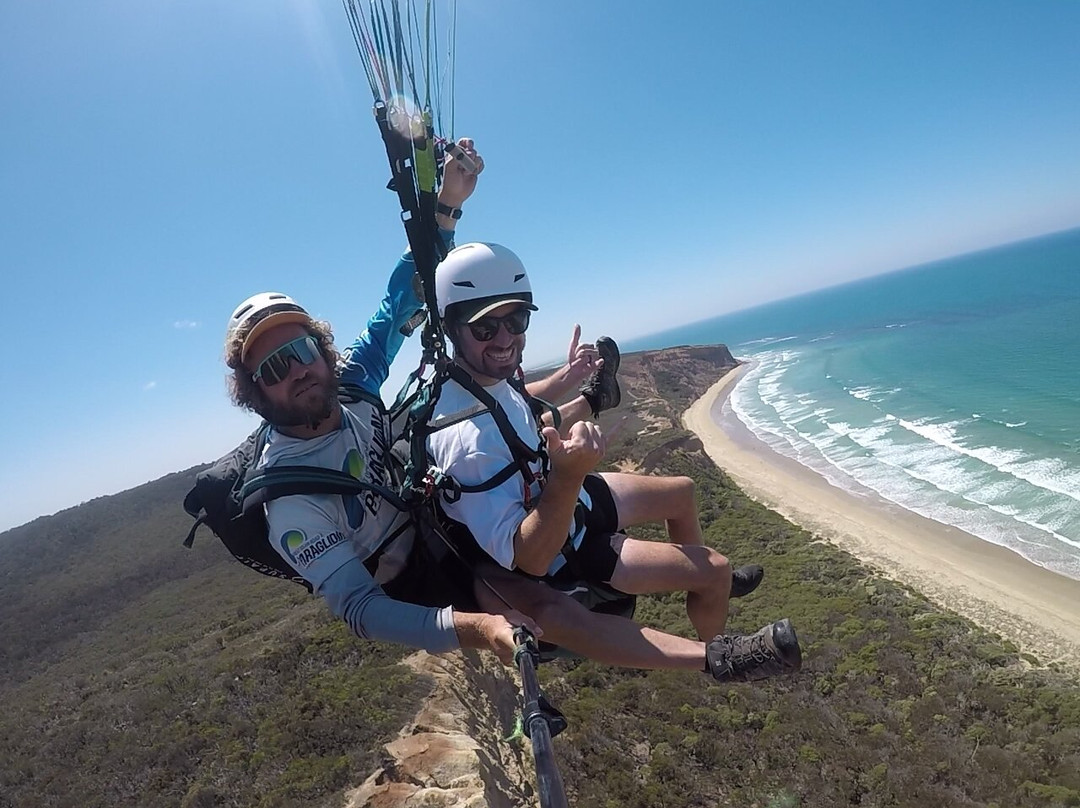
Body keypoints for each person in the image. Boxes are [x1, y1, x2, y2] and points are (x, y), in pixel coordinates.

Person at [222, 140, 540, 664]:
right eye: (274, 369)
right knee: (540, 595)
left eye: (301, 350)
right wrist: (478, 628)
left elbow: (400, 303)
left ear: (323, 352)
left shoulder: (349, 383)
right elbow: (361, 609)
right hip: (417, 582)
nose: (297, 370)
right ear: (254, 395)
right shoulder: (290, 502)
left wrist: (446, 207)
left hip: (437, 519)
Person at [426, 242, 803, 681]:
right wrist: (569, 473)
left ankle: (706, 585)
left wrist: (573, 384)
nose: (506, 338)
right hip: (560, 539)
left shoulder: (476, 379)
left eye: (516, 319)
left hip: (556, 490)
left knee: (682, 491)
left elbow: (517, 407)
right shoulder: (464, 441)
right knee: (715, 569)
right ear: (452, 328)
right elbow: (530, 558)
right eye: (486, 328)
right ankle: (717, 655)